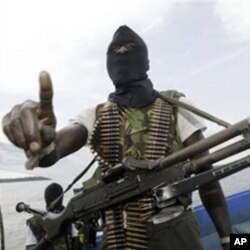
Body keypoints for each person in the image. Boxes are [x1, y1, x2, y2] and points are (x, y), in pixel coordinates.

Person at [2, 25, 231, 250]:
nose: (122, 53)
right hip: (118, 236)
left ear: (147, 61)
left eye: (130, 47)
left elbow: (208, 181)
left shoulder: (175, 107)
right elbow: (56, 149)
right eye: (115, 50)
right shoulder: (96, 115)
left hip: (174, 233)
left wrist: (231, 241)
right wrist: (41, 143)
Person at [25, 182, 82, 250]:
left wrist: (82, 235)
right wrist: (46, 239)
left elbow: (76, 247)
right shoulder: (35, 222)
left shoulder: (67, 217)